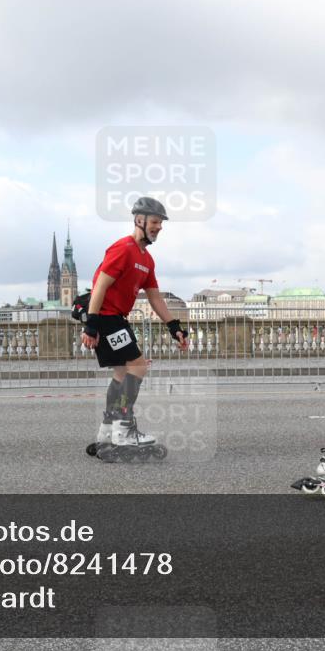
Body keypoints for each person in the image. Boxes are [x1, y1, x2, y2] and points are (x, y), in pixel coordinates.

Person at [81, 197, 189, 462]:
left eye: (161, 224)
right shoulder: (123, 248)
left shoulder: (147, 260)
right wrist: (92, 324)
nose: (159, 228)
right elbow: (100, 287)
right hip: (106, 318)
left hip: (116, 318)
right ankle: (124, 428)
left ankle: (108, 430)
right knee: (138, 366)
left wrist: (174, 326)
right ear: (139, 220)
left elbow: (155, 297)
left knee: (122, 373)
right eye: (154, 222)